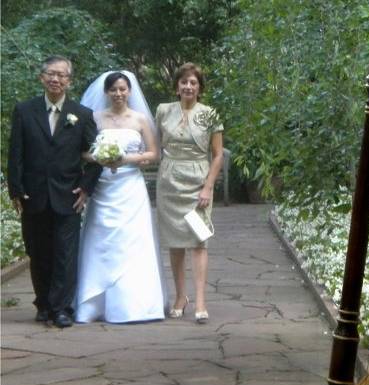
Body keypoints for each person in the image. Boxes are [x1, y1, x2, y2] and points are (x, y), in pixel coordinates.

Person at [7, 55, 103, 328]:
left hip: (68, 196)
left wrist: (86, 188)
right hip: (33, 195)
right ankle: (43, 304)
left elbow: (99, 155)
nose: (56, 79)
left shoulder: (81, 114)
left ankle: (62, 308)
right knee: (38, 252)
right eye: (51, 73)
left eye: (62, 75)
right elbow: (16, 153)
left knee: (65, 254)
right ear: (42, 77)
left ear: (69, 81)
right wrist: (16, 190)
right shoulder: (25, 110)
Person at [74, 71, 165, 323]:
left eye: (123, 89)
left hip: (130, 188)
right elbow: (83, 152)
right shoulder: (94, 118)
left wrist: (125, 159)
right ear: (106, 92)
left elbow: (153, 153)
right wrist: (100, 157)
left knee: (132, 243)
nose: (118, 93)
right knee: (99, 242)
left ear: (129, 91)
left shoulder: (140, 120)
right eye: (113, 89)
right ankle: (94, 304)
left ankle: (135, 305)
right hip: (102, 187)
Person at [155, 62, 224, 323]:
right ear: (176, 86)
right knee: (175, 242)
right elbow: (153, 143)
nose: (188, 86)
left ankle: (201, 301)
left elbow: (217, 156)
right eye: (184, 82)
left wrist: (207, 186)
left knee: (198, 240)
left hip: (198, 183)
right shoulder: (163, 111)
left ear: (200, 88)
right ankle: (180, 296)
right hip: (170, 181)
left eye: (193, 82)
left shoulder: (209, 114)